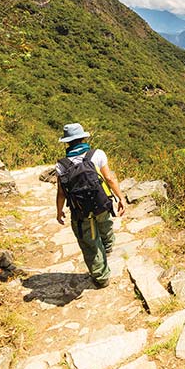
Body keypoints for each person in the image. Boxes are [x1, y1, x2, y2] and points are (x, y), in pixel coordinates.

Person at [55, 123, 126, 288]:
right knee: (105, 224)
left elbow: (61, 192)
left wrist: (59, 211)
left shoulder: (61, 164)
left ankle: (101, 277)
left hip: (80, 210)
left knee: (89, 242)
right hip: (101, 203)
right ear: (84, 138)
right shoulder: (97, 154)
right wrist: (120, 197)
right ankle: (108, 248)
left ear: (67, 142)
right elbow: (109, 178)